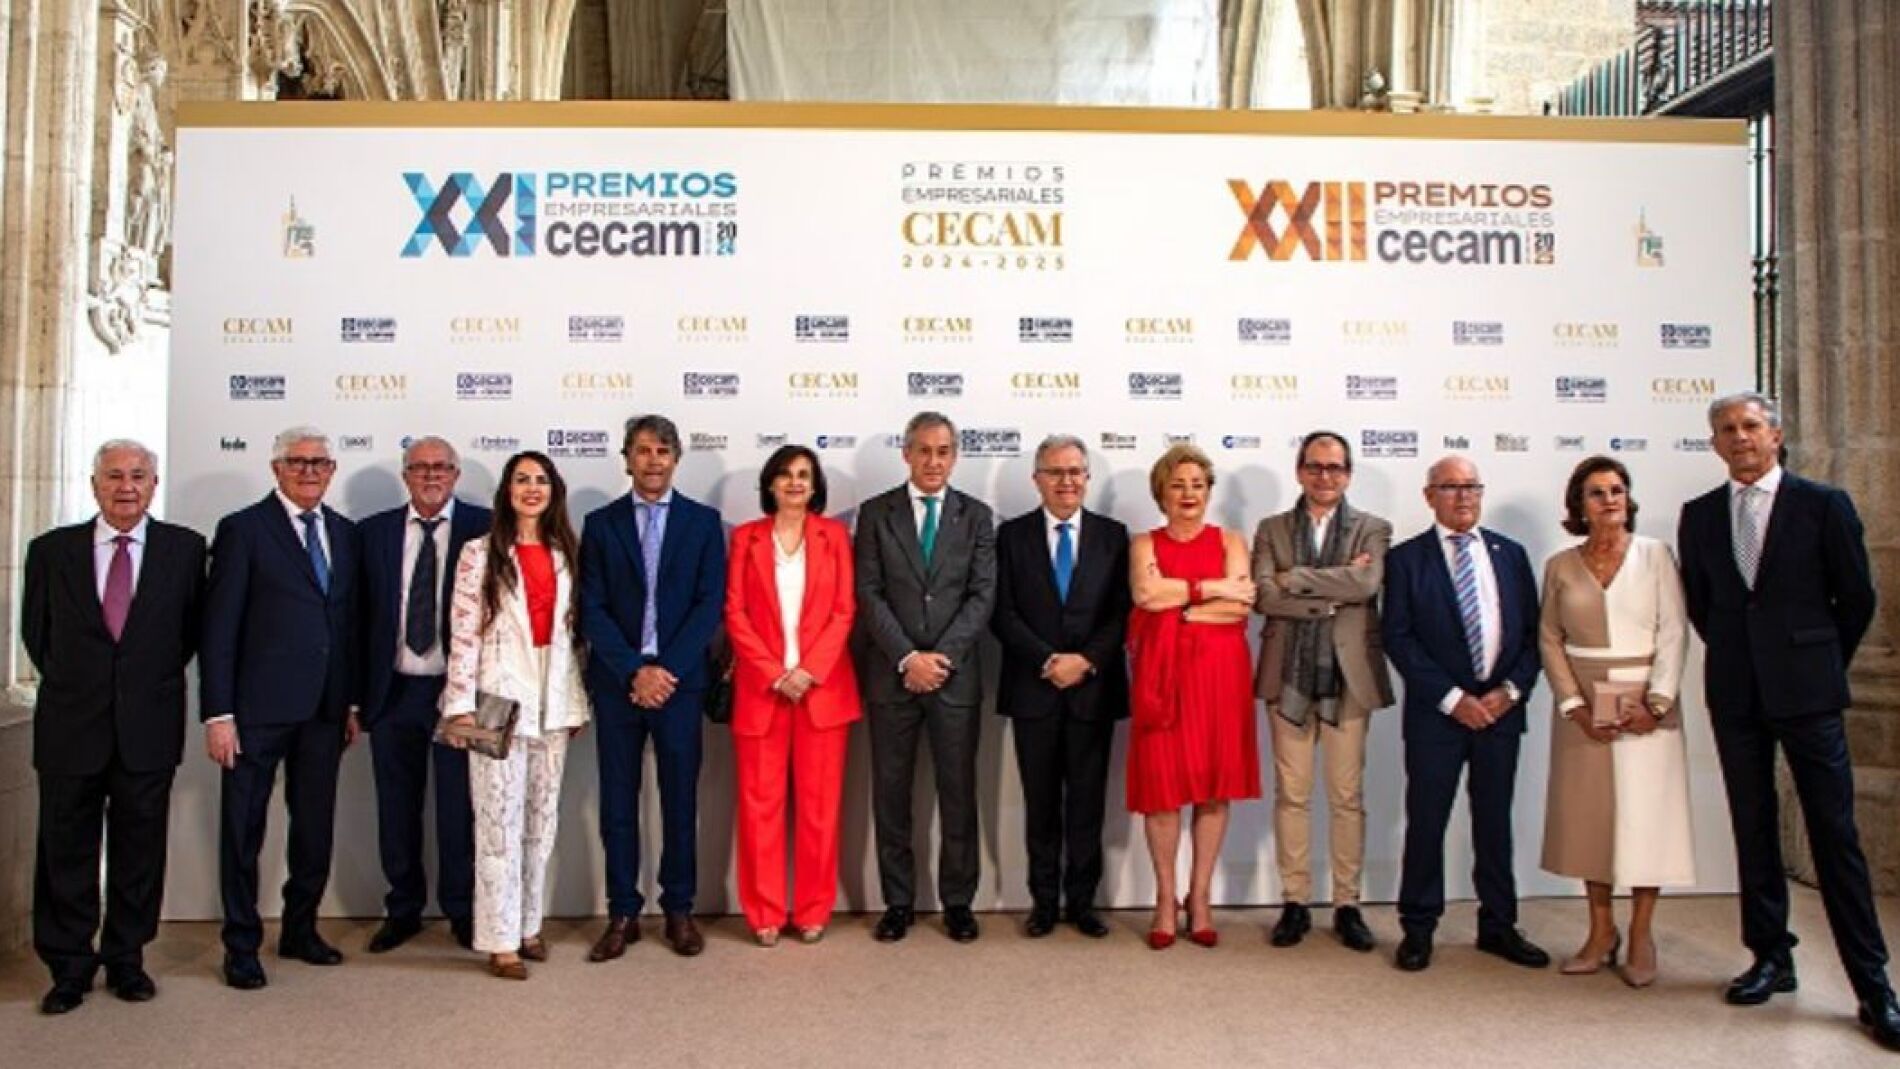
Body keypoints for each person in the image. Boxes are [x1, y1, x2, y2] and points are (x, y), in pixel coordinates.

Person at [1676, 391, 1900, 1050]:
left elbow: (1856, 598)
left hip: (1809, 693)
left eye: (1750, 425)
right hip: (1736, 693)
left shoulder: (1824, 505)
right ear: (1714, 444)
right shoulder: (1700, 515)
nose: (1739, 437)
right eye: (1726, 429)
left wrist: (1815, 658)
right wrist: (1749, 658)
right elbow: (1704, 606)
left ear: (1776, 435)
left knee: (1835, 835)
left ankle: (1873, 986)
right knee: (1752, 827)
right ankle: (1771, 955)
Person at [23, 440, 205, 1014]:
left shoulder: (185, 550)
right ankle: (69, 966)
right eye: (114, 476)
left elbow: (188, 636)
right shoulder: (51, 551)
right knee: (65, 851)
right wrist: (87, 684)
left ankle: (127, 959)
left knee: (139, 851)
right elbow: (37, 635)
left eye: (138, 476)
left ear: (154, 484)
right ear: (94, 484)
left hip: (147, 727)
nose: (126, 487)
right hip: (70, 727)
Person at [200, 426, 361, 990]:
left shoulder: (345, 534)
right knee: (243, 831)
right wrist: (218, 714)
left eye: (319, 463)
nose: (309, 471)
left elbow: (348, 626)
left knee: (314, 828)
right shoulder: (243, 530)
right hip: (255, 713)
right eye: (297, 462)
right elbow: (218, 628)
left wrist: (351, 702)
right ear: (276, 468)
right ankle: (241, 945)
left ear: (332, 470)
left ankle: (300, 929)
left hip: (325, 711)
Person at [1382, 455, 1546, 973]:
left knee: (1495, 823)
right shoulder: (1406, 559)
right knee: (1427, 822)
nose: (1463, 496)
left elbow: (1534, 635)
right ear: (1429, 496)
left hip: (1501, 714)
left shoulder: (1510, 554)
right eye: (1451, 487)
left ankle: (1499, 925)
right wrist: (1455, 699)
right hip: (1438, 716)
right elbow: (1398, 638)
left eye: (1471, 486)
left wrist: (1510, 692)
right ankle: (1418, 928)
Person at [1539, 456, 1692, 988]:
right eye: (1597, 492)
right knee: (1591, 820)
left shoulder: (1656, 555)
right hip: (1583, 705)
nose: (1610, 500)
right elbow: (1549, 638)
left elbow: (1674, 631)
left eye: (1617, 490)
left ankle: (1642, 932)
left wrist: (1657, 704)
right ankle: (1600, 931)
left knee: (1648, 819)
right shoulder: (1560, 565)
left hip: (1646, 705)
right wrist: (1573, 707)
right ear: (1579, 505)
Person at [439, 451, 590, 980]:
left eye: (540, 480)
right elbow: (462, 634)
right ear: (507, 491)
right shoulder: (479, 552)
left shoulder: (566, 551)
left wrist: (574, 700)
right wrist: (459, 708)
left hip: (554, 698)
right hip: (497, 700)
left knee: (540, 822)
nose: (532, 488)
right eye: (522, 480)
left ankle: (528, 926)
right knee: (498, 824)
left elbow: (573, 637)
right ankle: (499, 939)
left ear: (553, 490)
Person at [580, 415, 725, 960]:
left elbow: (709, 604)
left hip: (679, 685)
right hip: (619, 684)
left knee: (679, 802)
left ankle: (679, 909)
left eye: (663, 450)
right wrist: (632, 671)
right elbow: (591, 607)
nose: (653, 460)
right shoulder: (600, 524)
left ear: (676, 459)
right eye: (643, 450)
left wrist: (666, 672)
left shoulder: (703, 523)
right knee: (618, 803)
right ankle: (622, 911)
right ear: (627, 459)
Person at [855, 410, 997, 943]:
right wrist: (906, 657)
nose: (933, 461)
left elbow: (982, 595)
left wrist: (940, 659)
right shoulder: (876, 513)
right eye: (924, 451)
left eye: (943, 452)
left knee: (958, 794)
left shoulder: (976, 515)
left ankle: (958, 902)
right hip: (892, 677)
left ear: (954, 456)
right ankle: (898, 903)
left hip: (954, 680)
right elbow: (868, 592)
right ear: (907, 453)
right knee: (891, 796)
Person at [1251, 430, 1394, 952]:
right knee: (1291, 794)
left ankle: (1346, 903)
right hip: (1287, 676)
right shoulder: (1271, 528)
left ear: (1348, 474)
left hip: (1348, 678)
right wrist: (1330, 596)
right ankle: (1294, 901)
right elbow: (1263, 596)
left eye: (1334, 467)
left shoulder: (1373, 528)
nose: (1324, 476)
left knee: (1345, 797)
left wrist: (1295, 579)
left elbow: (1366, 586)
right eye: (1315, 466)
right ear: (1300, 471)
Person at [991, 434, 1130, 939]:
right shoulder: (1011, 537)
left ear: (1087, 478)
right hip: (1035, 690)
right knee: (1041, 805)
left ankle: (1084, 903)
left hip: (1093, 690)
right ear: (1037, 480)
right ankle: (1044, 903)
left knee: (1088, 805)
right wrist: (1049, 660)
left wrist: (1086, 660)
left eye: (1075, 472)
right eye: (1055, 472)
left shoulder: (1114, 536)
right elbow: (1001, 613)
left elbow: (1121, 612)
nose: (1066, 481)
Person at [355, 437, 491, 953]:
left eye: (441, 467)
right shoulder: (373, 533)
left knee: (460, 809)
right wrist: (355, 700)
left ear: (456, 474)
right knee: (396, 808)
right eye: (420, 467)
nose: (431, 475)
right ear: (405, 474)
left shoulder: (485, 528)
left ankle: (462, 910)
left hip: (459, 695)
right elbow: (355, 619)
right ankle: (403, 909)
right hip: (393, 692)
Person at [723, 445, 861, 946]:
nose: (795, 482)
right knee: (759, 808)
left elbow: (844, 610)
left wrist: (808, 671)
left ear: (815, 484)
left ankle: (812, 909)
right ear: (770, 484)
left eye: (804, 474)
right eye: (785, 474)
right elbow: (735, 612)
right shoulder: (745, 538)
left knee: (819, 810)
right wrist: (774, 673)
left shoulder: (834, 537)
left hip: (821, 692)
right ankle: (763, 913)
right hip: (764, 693)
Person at [1126, 444, 1259, 949]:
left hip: (1219, 679)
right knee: (1162, 793)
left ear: (1209, 492)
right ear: (1161, 491)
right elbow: (1146, 595)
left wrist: (1179, 605)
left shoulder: (1231, 540)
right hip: (1162, 680)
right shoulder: (1144, 543)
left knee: (1213, 789)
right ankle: (1165, 900)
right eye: (1178, 484)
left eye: (1198, 485)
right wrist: (1208, 592)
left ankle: (1199, 898)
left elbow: (1240, 606)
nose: (1188, 493)